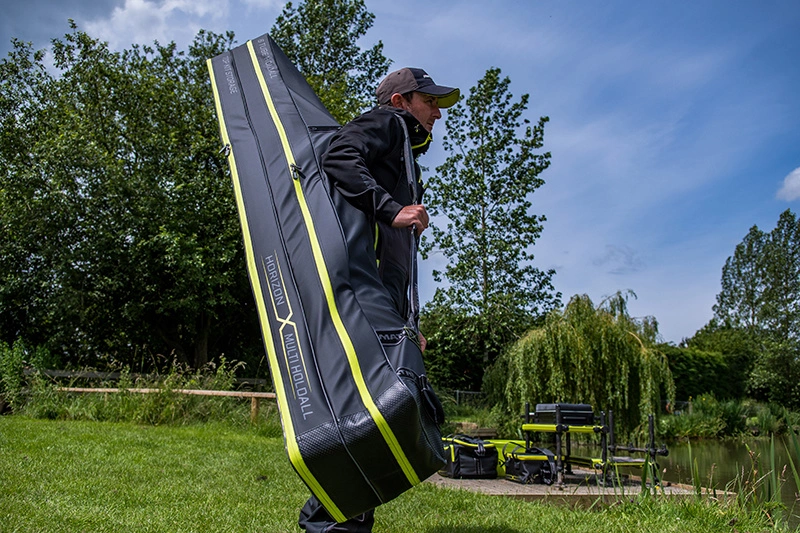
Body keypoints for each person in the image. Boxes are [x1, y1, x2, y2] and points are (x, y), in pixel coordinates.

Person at [297, 67, 459, 533]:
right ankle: (331, 523)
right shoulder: (388, 122)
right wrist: (392, 209)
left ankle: (334, 521)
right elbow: (339, 155)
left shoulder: (404, 154)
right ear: (401, 101)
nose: (437, 113)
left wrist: (408, 323)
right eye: (430, 102)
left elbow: (398, 263)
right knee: (367, 413)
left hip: (384, 305)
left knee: (372, 414)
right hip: (365, 297)